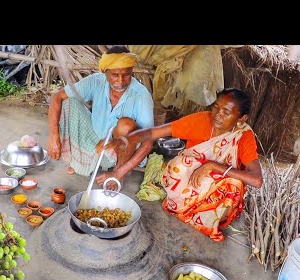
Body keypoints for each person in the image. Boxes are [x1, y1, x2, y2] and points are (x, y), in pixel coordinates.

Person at [102, 88, 263, 242]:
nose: (218, 115)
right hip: (189, 180)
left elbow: (256, 180)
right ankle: (183, 206)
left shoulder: (243, 137)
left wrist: (213, 166)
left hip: (217, 189)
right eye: (216, 107)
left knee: (234, 185)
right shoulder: (201, 120)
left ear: (242, 119)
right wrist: (124, 140)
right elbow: (153, 133)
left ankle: (203, 217)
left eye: (226, 112)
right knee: (179, 167)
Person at [47, 45, 154, 190]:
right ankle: (76, 160)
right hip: (96, 139)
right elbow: (57, 97)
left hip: (123, 150)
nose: (121, 81)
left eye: (126, 74)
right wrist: (53, 135)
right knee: (68, 102)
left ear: (132, 72)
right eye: (115, 75)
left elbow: (148, 143)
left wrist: (119, 171)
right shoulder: (96, 81)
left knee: (125, 125)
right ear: (105, 72)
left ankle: (117, 172)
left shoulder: (141, 95)